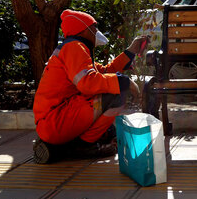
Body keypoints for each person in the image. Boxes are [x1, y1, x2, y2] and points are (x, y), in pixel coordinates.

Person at [32, 9, 148, 163]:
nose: (96, 31)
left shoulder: (73, 48)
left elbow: (105, 72)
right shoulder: (74, 47)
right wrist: (125, 82)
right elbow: (88, 83)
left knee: (108, 129)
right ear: (84, 29)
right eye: (94, 27)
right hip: (56, 121)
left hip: (54, 121)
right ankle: (84, 146)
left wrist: (131, 51)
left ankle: (62, 148)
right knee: (116, 95)